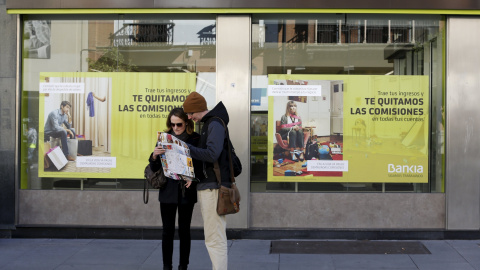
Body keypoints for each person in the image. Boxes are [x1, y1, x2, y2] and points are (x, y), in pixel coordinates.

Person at [182, 92, 231, 270]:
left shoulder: (214, 123)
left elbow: (212, 154)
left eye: (190, 114)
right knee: (214, 237)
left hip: (213, 188)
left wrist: (186, 148)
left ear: (197, 110)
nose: (189, 117)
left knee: (214, 238)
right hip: (209, 186)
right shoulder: (210, 123)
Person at [149, 108, 202, 270]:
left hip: (186, 190)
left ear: (186, 122)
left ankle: (183, 266)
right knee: (167, 231)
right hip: (168, 190)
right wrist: (154, 156)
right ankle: (167, 266)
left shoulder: (195, 139)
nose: (176, 128)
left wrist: (192, 177)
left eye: (179, 124)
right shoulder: (164, 138)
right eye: (172, 124)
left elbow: (201, 165)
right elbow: (154, 166)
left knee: (185, 231)